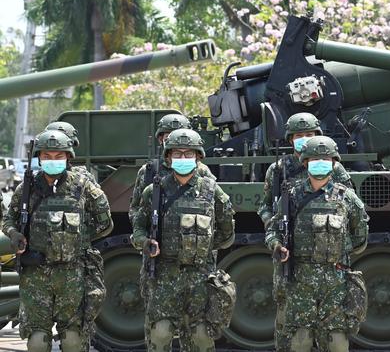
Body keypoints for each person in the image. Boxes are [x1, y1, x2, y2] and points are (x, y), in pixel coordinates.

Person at [2, 129, 113, 352]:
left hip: (73, 275)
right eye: (47, 156)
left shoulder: (84, 188)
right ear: (40, 158)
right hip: (36, 275)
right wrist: (15, 235)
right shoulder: (27, 189)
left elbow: (105, 224)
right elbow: (8, 220)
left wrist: (77, 240)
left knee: (73, 340)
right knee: (37, 341)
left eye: (58, 156)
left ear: (68, 157)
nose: (53, 161)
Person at [131, 128, 236, 352]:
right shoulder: (154, 191)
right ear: (168, 157)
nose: (183, 159)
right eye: (177, 154)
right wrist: (145, 243)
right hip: (164, 275)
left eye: (189, 154)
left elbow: (226, 233)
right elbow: (139, 226)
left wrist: (201, 247)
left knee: (200, 336)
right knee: (160, 333)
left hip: (200, 275)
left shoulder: (212, 191)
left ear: (198, 157)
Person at [257, 112, 351, 351]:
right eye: (299, 135)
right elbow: (265, 205)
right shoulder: (278, 169)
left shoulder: (334, 168)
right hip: (290, 251)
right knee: (286, 313)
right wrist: (274, 227)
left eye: (309, 134)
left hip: (324, 251)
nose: (305, 139)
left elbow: (348, 207)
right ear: (291, 139)